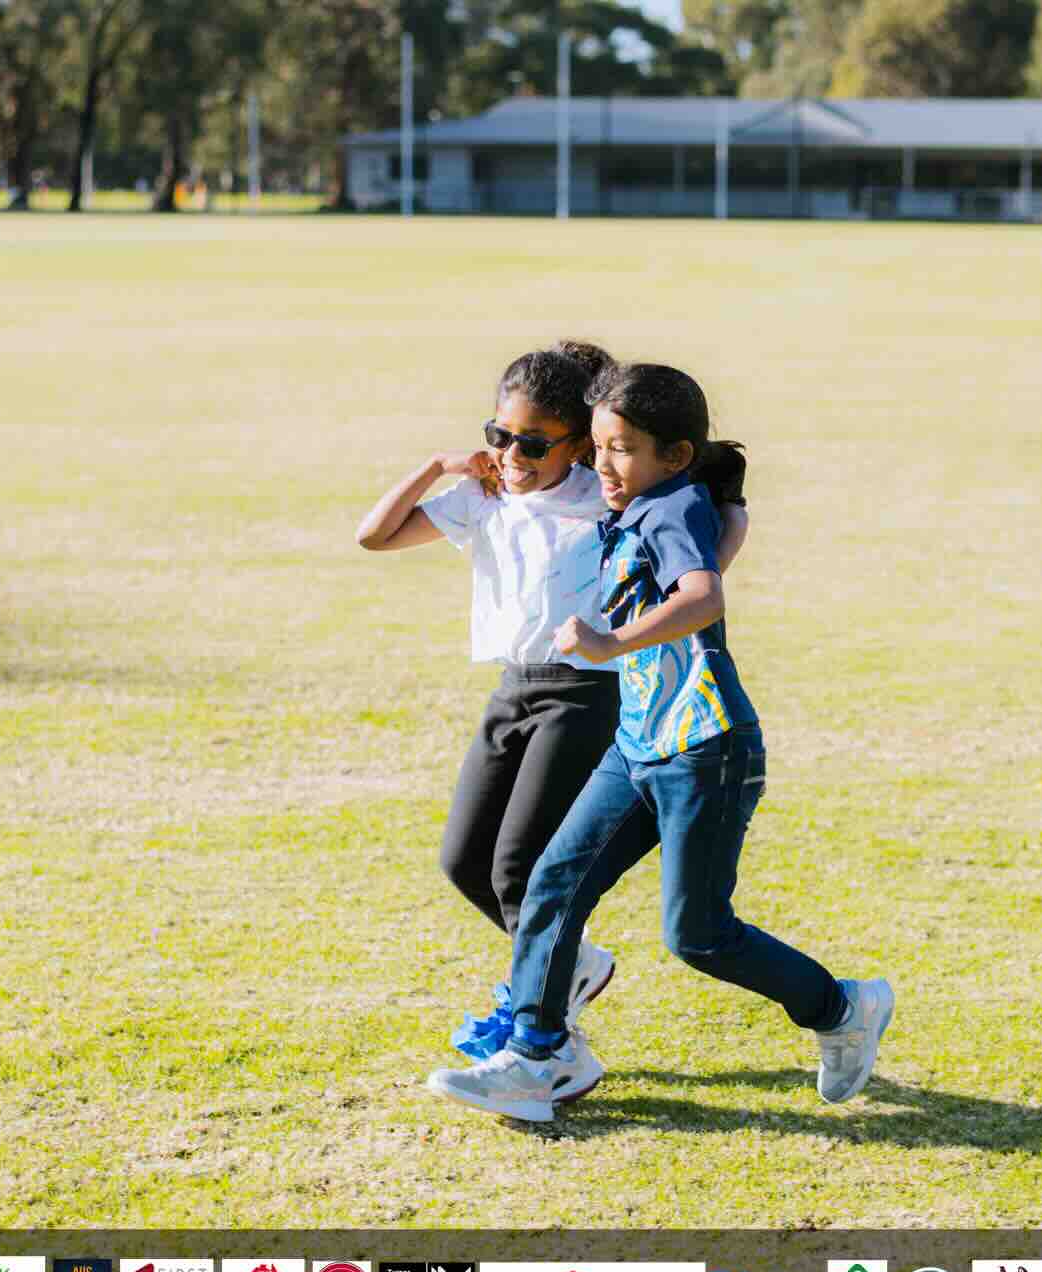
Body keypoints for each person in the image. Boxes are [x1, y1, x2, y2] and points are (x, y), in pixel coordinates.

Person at [425, 363, 892, 1122]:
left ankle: (842, 1007)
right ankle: (536, 1058)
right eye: (600, 447)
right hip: (637, 742)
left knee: (699, 934)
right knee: (550, 881)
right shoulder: (651, 502)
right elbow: (723, 530)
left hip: (705, 749)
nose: (603, 465)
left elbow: (702, 593)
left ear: (673, 456)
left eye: (623, 449)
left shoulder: (669, 506)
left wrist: (610, 644)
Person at [354, 343, 749, 1070]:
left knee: (516, 867)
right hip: (513, 687)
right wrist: (441, 465)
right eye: (498, 436)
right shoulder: (484, 498)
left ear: (578, 443)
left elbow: (708, 520)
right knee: (463, 859)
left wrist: (696, 572)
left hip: (583, 688)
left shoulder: (603, 496)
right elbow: (373, 535)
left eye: (534, 443)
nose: (511, 454)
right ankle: (575, 964)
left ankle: (548, 1031)